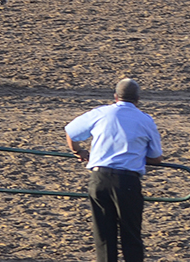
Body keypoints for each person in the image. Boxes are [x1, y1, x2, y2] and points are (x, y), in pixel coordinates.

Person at [64, 78, 163, 262]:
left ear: (115, 96)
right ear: (138, 99)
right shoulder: (145, 120)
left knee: (104, 236)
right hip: (127, 181)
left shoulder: (101, 113)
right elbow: (156, 157)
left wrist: (78, 151)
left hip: (99, 178)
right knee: (131, 235)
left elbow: (71, 131)